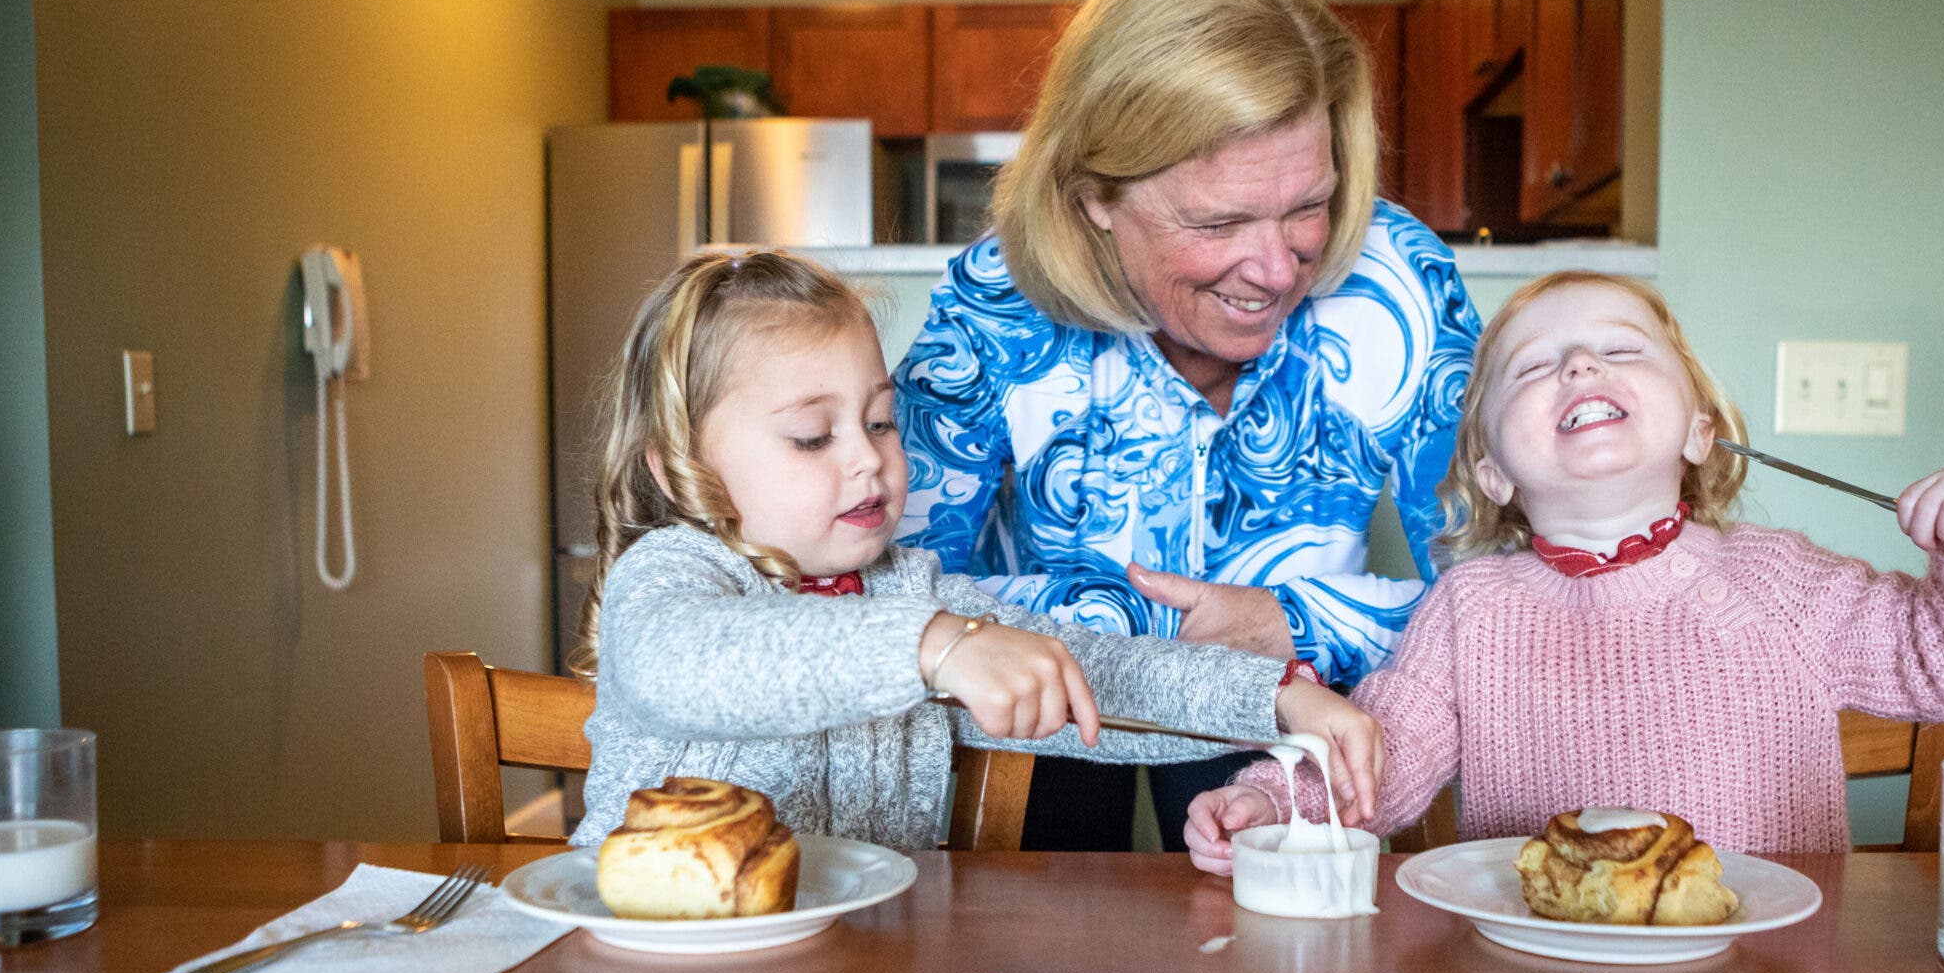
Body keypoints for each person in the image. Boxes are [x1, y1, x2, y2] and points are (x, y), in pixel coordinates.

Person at [893, 0, 1482, 851]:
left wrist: (1296, 617)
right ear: (1094, 196)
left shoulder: (1397, 288)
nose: (1277, 269)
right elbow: (890, 587)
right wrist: (1155, 626)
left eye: (1307, 208)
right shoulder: (995, 307)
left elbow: (1506, 590)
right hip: (1041, 731)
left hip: (1294, 721)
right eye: (1219, 221)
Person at [1184, 272, 1944, 865]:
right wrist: (1272, 801)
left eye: (1623, 349)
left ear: (1699, 429)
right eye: (1532, 366)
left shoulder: (1780, 580)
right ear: (1492, 470)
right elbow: (1382, 757)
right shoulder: (1470, 610)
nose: (1579, 365)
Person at [568, 250, 1379, 853]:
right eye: (813, 435)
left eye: (881, 420)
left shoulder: (914, 593)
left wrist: (1276, 698)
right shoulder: (672, 577)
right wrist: (933, 647)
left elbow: (1094, 670)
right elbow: (692, 660)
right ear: (679, 469)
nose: (867, 457)